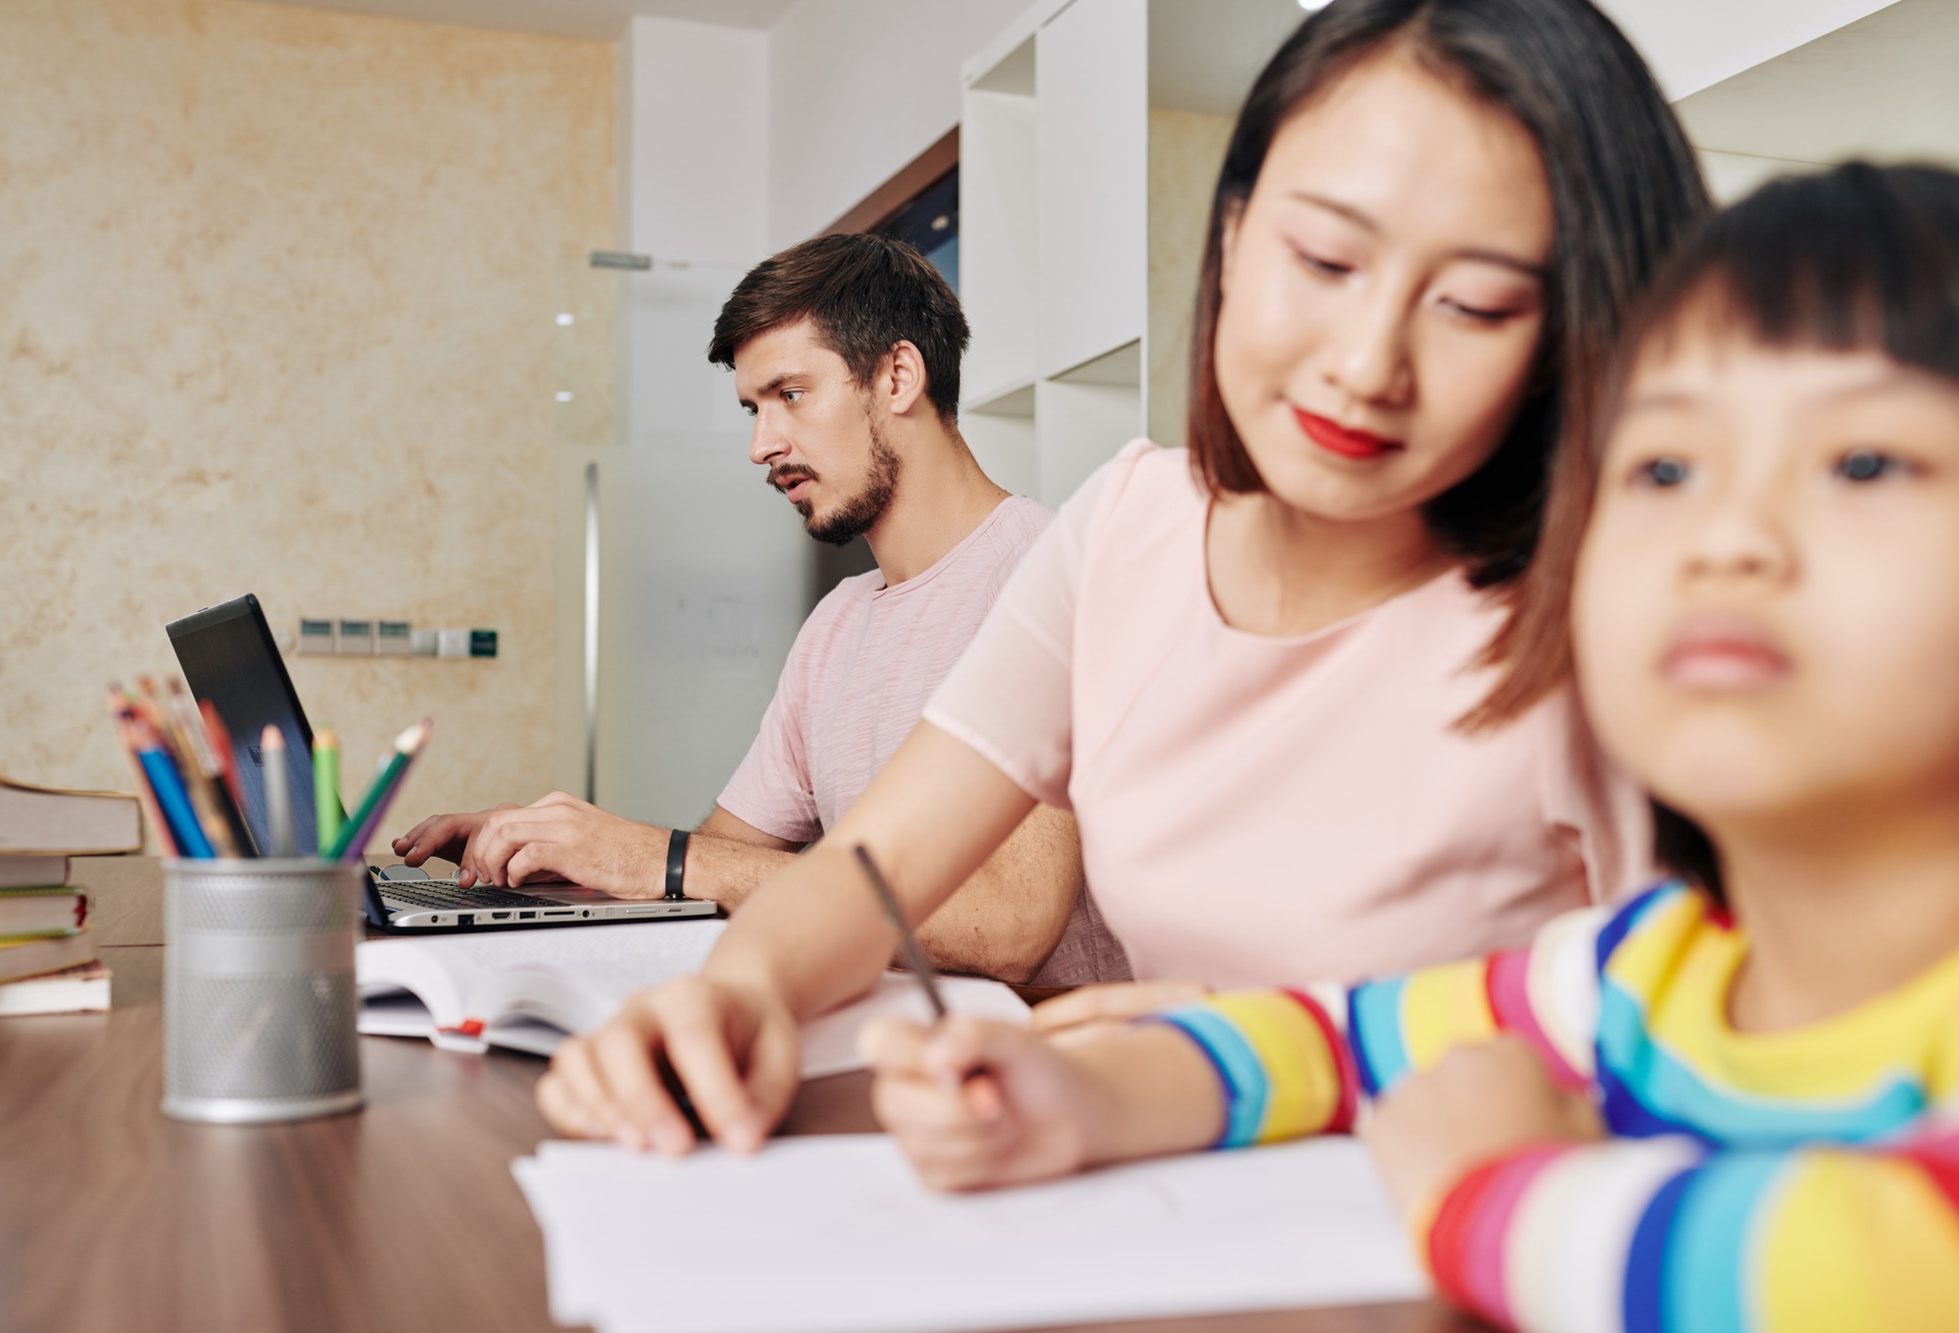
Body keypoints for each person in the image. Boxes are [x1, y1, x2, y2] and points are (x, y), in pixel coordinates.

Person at [533, 0, 1709, 1152]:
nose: (1364, 365)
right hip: (1159, 1203)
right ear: (1237, 237)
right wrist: (738, 995)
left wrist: (1240, 1060)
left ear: (1568, 333)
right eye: (1323, 257)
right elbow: (867, 874)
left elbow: (1725, 1062)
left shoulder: (1613, 612)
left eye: (1473, 304)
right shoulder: (1131, 525)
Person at [869, 163, 1959, 1328]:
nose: (1723, 538)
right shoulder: (1644, 971)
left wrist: (1482, 1189)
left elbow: (1868, 1267)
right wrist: (1083, 1093)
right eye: (1664, 469)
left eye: (1859, 462)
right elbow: (1338, 1033)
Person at [392, 233, 1126, 986]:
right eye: (753, 407)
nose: (761, 444)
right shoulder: (838, 624)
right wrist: (554, 853)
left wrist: (654, 857)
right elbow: (725, 860)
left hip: (1040, 1071)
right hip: (886, 1044)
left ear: (900, 375)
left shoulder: (1049, 575)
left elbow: (1009, 925)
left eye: (792, 395)